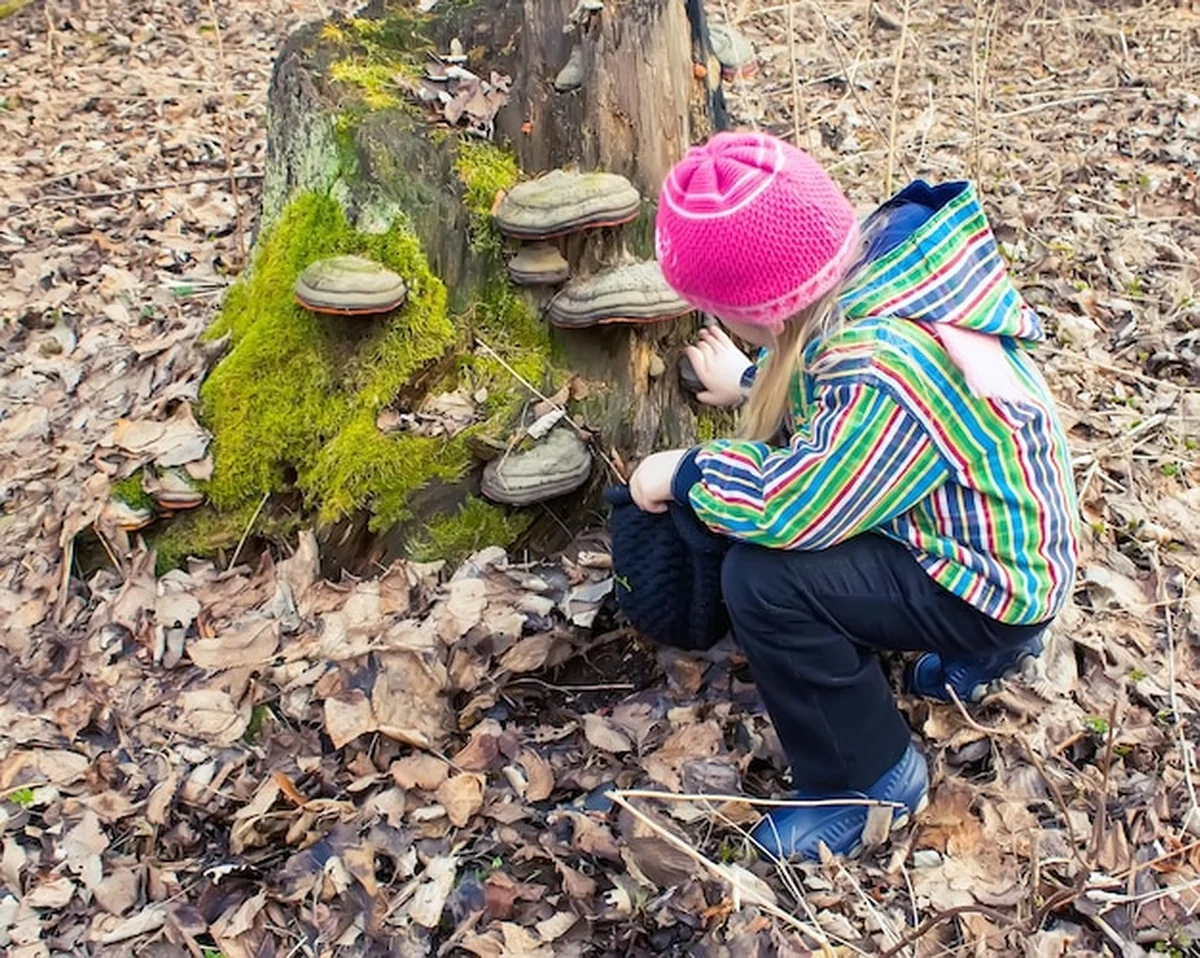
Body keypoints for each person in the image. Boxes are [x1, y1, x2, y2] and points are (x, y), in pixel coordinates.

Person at [628, 132, 1079, 861]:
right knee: (784, 561)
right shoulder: (884, 275)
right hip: (1013, 550)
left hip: (992, 584)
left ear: (760, 314)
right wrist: (752, 382)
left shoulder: (881, 366)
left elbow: (802, 504)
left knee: (765, 580)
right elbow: (840, 408)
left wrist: (686, 471)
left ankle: (864, 778)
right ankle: (998, 648)